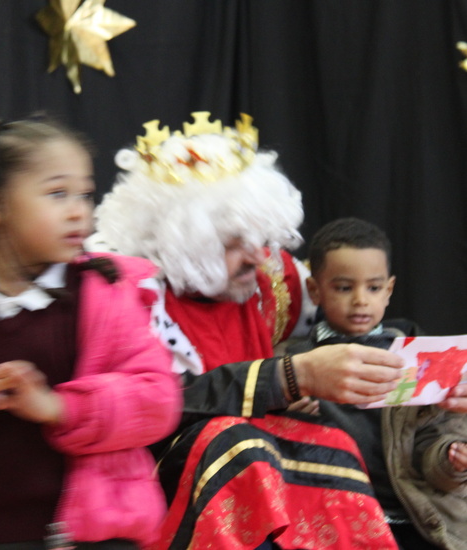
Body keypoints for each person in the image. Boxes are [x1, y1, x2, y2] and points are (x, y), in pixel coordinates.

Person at [87, 112, 405, 549]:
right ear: (184, 243)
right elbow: (148, 407)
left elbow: (359, 319)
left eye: (260, 236)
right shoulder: (129, 298)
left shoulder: (270, 284)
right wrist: (290, 377)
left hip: (258, 453)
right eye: (235, 242)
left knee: (331, 440)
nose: (258, 256)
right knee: (235, 444)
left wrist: (425, 375)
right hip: (162, 473)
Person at [0, 116, 181, 550]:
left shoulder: (106, 291)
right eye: (58, 194)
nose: (80, 210)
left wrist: (59, 407)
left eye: (85, 193)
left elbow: (157, 399)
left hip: (93, 540)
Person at [287, 217, 467, 550]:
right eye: (343, 287)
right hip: (326, 519)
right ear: (314, 290)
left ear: (389, 290)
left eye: (373, 287)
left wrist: (453, 461)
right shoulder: (293, 363)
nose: (360, 300)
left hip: (410, 515)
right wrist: (284, 410)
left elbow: (434, 442)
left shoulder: (417, 356)